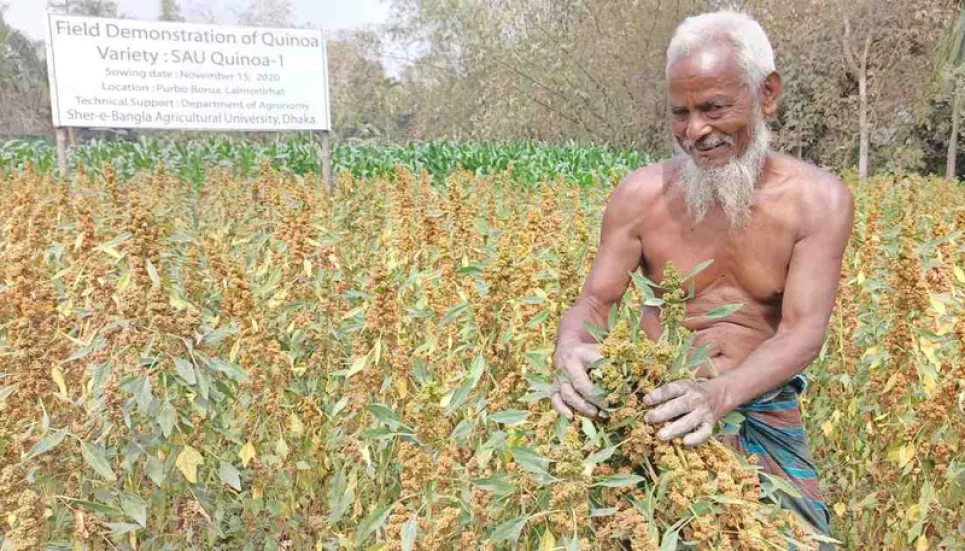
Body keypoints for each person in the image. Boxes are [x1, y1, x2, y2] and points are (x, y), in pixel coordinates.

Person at [549, 8, 854, 544]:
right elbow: (595, 303)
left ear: (767, 95)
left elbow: (804, 329)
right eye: (680, 113)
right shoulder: (641, 196)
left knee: (798, 539)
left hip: (759, 408)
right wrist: (570, 347)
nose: (695, 131)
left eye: (714, 107)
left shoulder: (817, 200)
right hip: (654, 417)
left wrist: (719, 395)